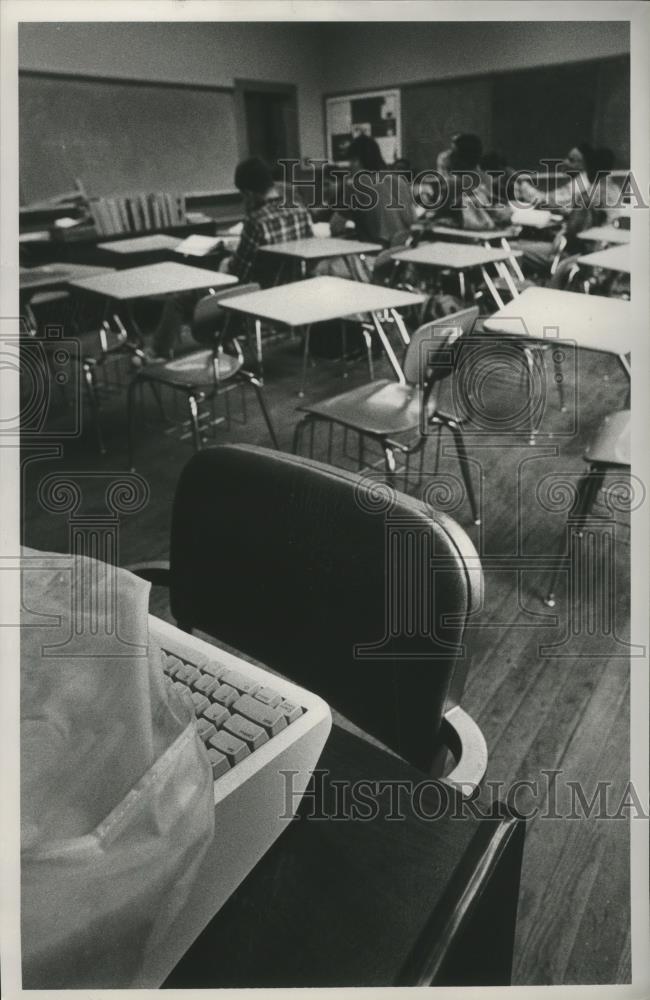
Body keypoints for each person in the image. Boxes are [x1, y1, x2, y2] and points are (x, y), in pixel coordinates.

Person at [152, 157, 313, 358]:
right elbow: (310, 251)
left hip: (254, 296)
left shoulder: (256, 221)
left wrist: (227, 262)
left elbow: (240, 274)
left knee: (177, 300)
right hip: (290, 291)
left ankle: (156, 353)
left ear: (249, 193)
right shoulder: (300, 211)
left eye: (243, 196)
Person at [329, 134, 418, 247]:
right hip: (403, 251)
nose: (349, 167)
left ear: (356, 160)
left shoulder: (355, 185)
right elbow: (413, 220)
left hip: (376, 254)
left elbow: (335, 226)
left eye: (350, 161)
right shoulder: (400, 181)